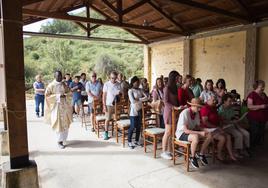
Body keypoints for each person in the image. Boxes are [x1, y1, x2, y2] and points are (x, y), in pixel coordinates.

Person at [176, 98, 213, 168]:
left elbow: (198, 126)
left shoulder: (196, 114)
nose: (199, 109)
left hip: (191, 132)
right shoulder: (185, 113)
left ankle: (201, 154)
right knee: (195, 137)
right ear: (192, 106)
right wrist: (200, 133)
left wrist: (206, 130)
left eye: (199, 107)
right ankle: (192, 157)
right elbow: (186, 131)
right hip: (181, 133)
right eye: (198, 107)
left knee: (209, 135)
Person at [200, 95, 237, 161]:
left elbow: (218, 118)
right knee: (222, 138)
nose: (215, 101)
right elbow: (205, 122)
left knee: (228, 136)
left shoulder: (213, 108)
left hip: (215, 128)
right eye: (213, 100)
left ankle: (231, 155)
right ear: (208, 100)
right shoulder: (205, 108)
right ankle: (219, 154)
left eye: (215, 100)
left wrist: (222, 123)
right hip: (207, 129)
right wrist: (216, 127)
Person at [44, 71, 73, 149]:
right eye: (58, 76)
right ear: (55, 76)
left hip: (64, 106)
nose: (60, 77)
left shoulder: (64, 84)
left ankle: (63, 139)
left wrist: (65, 96)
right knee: (58, 124)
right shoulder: (51, 86)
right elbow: (47, 96)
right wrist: (58, 96)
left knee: (65, 123)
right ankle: (59, 141)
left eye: (61, 76)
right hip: (56, 107)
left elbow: (70, 93)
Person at [161, 71, 180, 160]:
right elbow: (165, 102)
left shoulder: (175, 87)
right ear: (173, 78)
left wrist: (179, 107)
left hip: (175, 112)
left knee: (172, 133)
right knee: (168, 132)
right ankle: (163, 151)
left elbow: (176, 100)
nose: (178, 79)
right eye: (177, 78)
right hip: (168, 112)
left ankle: (170, 151)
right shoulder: (166, 88)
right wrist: (175, 107)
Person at [247, 80, 268, 148]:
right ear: (256, 86)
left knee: (261, 132)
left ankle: (256, 144)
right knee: (254, 132)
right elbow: (249, 106)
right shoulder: (252, 94)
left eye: (263, 86)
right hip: (254, 118)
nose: (263, 88)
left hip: (263, 117)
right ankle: (250, 146)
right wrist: (260, 106)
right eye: (261, 86)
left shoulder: (264, 94)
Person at [128, 76, 147, 149]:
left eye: (138, 82)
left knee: (139, 126)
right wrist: (141, 99)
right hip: (133, 110)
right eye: (136, 82)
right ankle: (129, 141)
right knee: (132, 126)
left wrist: (138, 99)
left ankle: (136, 140)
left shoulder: (140, 90)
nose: (138, 84)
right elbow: (132, 101)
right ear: (133, 83)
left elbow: (147, 97)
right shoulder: (130, 91)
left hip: (140, 109)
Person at [102, 71, 121, 140]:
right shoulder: (106, 84)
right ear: (110, 77)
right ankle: (106, 133)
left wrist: (119, 94)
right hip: (108, 104)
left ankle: (116, 132)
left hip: (116, 104)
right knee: (107, 119)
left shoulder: (118, 84)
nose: (113, 79)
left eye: (115, 78)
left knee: (117, 119)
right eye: (112, 78)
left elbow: (120, 94)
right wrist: (104, 105)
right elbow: (104, 96)